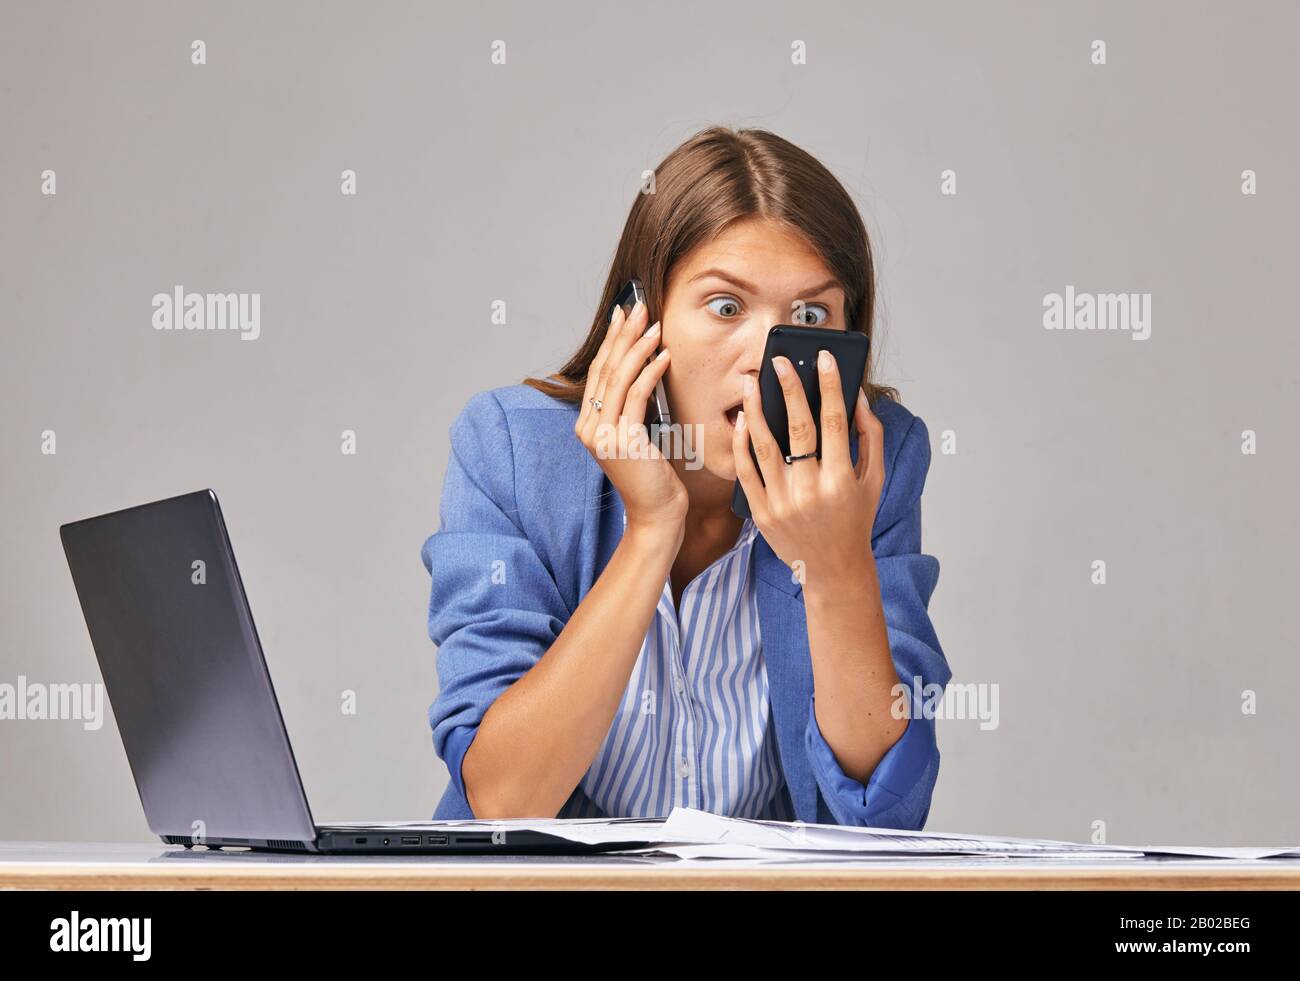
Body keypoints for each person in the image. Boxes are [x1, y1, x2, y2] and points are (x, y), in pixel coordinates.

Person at [422, 126, 950, 828]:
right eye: (727, 307)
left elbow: (886, 818)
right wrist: (652, 529)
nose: (765, 355)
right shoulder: (511, 451)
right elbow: (506, 799)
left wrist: (835, 564)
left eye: (810, 314)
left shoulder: (870, 462)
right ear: (643, 319)